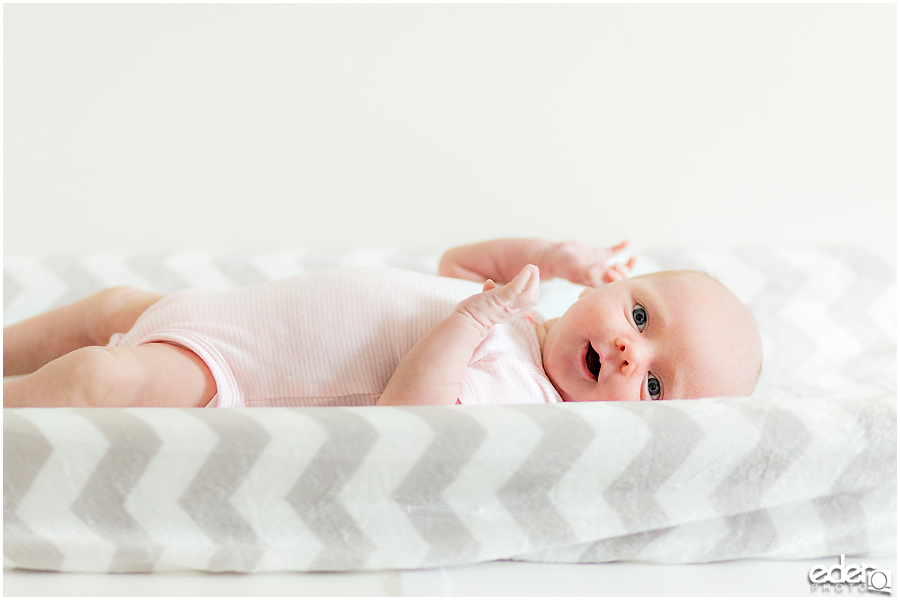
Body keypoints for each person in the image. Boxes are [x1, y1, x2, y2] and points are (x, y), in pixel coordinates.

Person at [3, 238, 762, 408]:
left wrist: (478, 319)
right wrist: (545, 255)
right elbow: (457, 263)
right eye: (639, 315)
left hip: (230, 371)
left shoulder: (522, 395)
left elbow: (411, 421)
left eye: (658, 385)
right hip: (220, 314)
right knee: (107, 308)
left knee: (98, 377)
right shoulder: (521, 317)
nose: (632, 352)